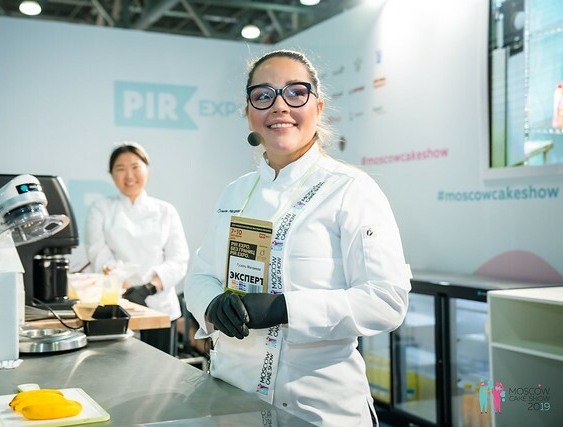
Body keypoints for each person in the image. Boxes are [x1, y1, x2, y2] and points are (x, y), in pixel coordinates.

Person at [184, 49, 411, 426]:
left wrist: (285, 308)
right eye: (263, 95)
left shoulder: (350, 190)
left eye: (295, 92)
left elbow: (386, 298)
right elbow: (200, 274)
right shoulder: (235, 193)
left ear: (318, 108)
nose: (279, 106)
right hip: (232, 397)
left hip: (318, 406)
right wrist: (212, 304)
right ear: (249, 113)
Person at [86, 142, 189, 355]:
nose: (129, 175)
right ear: (111, 174)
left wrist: (148, 288)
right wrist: (124, 286)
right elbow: (98, 254)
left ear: (147, 169)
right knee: (119, 367)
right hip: (120, 304)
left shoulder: (165, 211)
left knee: (161, 370)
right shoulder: (101, 208)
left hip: (160, 305)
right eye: (120, 169)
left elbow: (178, 259)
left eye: (135, 167)